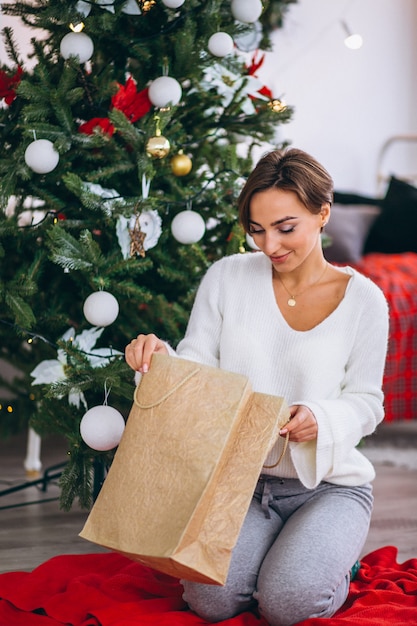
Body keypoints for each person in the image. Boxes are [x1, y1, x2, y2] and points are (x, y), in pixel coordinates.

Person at [125, 148, 389, 626]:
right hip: (239, 485)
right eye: (256, 229)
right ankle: (280, 557)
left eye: (286, 228)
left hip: (329, 488)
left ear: (322, 213)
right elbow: (197, 366)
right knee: (210, 602)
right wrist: (158, 360)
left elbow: (368, 402)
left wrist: (322, 418)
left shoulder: (365, 302)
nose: (269, 246)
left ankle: (331, 561)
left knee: (289, 604)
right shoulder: (227, 277)